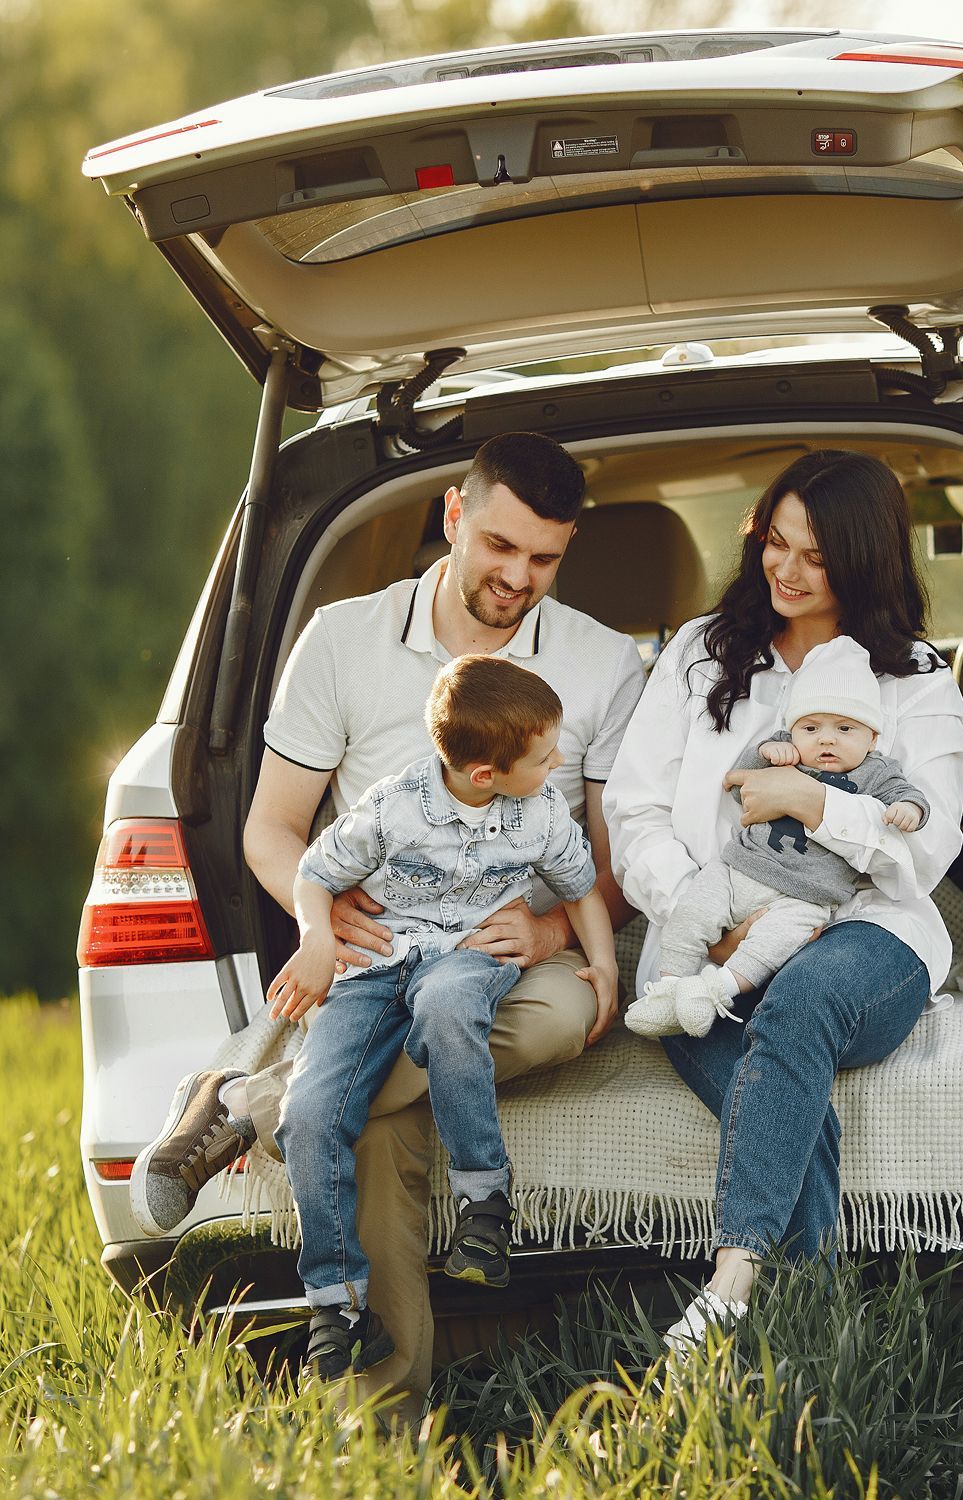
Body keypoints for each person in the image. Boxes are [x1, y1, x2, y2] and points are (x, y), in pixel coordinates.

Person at [127, 431, 644, 1420]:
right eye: (498, 546)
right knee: (377, 1128)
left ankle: (255, 1099)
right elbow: (274, 832)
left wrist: (554, 934)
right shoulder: (343, 640)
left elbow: (614, 859)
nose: (516, 578)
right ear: (453, 513)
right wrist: (325, 922)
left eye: (544, 559)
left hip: (512, 954)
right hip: (385, 953)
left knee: (542, 1022)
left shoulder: (603, 663)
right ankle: (380, 1434)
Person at [602, 448, 963, 1348]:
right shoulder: (701, 653)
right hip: (704, 934)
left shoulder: (916, 678)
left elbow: (926, 848)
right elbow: (633, 808)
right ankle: (812, 1343)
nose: (786, 569)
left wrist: (816, 805)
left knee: (800, 1001)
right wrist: (706, 908)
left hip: (867, 933)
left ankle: (731, 1278)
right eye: (776, 542)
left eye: (814, 554)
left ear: (863, 559)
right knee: (768, 1079)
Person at [266, 655, 620, 1377]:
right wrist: (316, 938)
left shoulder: (541, 811)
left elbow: (580, 886)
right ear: (483, 774)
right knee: (309, 1112)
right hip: (374, 964)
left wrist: (604, 964)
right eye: (545, 756)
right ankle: (336, 1304)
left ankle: (483, 1206)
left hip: (468, 950)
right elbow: (314, 873)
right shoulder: (395, 805)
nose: (557, 764)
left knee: (449, 1006)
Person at [623, 636, 929, 1038]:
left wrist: (908, 811)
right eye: (811, 726)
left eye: (844, 728)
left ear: (872, 737)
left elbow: (910, 798)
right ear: (793, 728)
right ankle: (670, 988)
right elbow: (737, 786)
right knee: (692, 911)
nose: (826, 739)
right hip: (739, 870)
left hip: (805, 895)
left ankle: (717, 989)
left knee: (774, 944)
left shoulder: (876, 772)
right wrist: (766, 755)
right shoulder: (782, 750)